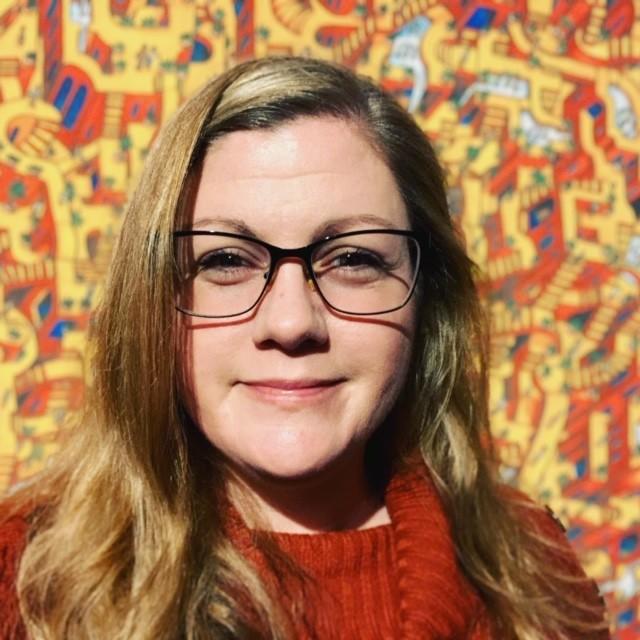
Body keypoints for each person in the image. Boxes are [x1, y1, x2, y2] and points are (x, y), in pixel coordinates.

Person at [0, 56, 609, 639]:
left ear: (427, 296)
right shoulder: (23, 579)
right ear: (151, 299)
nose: (291, 323)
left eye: (353, 259)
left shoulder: (534, 575)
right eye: (226, 261)